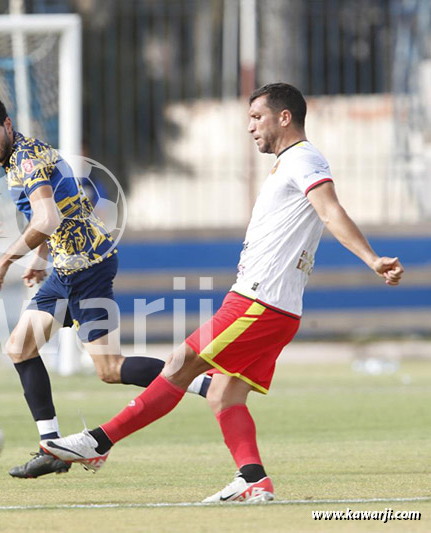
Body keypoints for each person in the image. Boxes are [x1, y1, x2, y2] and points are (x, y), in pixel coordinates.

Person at [40, 82, 404, 503]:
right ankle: (253, 480)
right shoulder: (289, 162)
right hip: (274, 305)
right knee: (223, 392)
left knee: (181, 362)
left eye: (256, 117)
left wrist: (371, 258)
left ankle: (98, 443)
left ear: (284, 117)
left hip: (259, 301)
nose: (250, 127)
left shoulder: (303, 158)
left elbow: (330, 209)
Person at [0, 96, 211, 479]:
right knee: (20, 348)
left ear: (7, 125)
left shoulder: (26, 160)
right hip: (68, 267)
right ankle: (52, 448)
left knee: (110, 369)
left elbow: (47, 216)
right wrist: (41, 257)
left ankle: (206, 383)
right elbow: (54, 211)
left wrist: (5, 259)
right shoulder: (19, 157)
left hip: (85, 268)